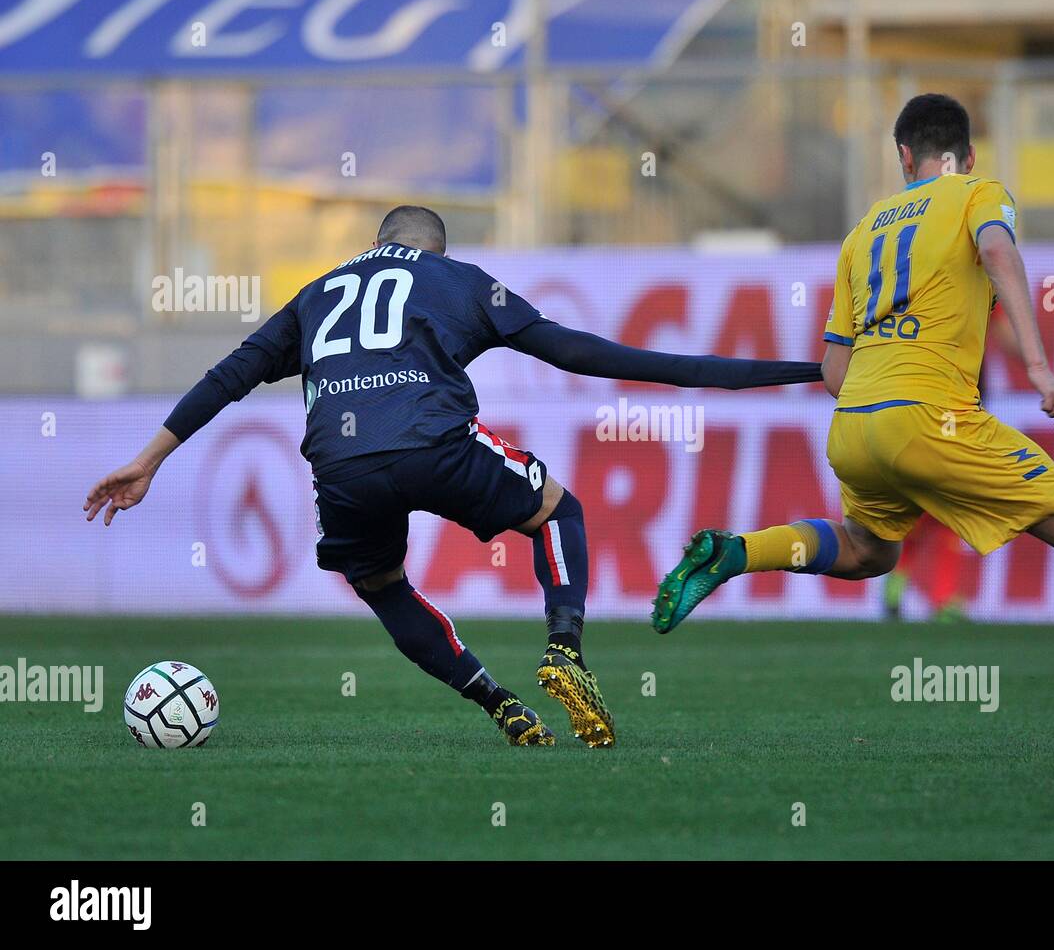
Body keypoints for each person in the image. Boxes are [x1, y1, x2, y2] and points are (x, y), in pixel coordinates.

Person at [85, 205, 823, 748]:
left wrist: (150, 457)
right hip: (433, 441)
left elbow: (233, 373)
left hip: (341, 464)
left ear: (374, 247)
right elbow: (581, 353)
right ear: (435, 251)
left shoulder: (317, 294)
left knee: (380, 584)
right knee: (557, 512)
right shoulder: (459, 281)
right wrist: (777, 374)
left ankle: (495, 701)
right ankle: (564, 648)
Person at [652, 95, 1054, 750]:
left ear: (903, 157)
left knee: (869, 550)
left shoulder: (861, 232)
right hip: (930, 418)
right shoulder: (978, 193)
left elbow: (835, 372)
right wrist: (1038, 366)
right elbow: (1000, 255)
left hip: (855, 426)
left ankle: (738, 551)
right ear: (966, 155)